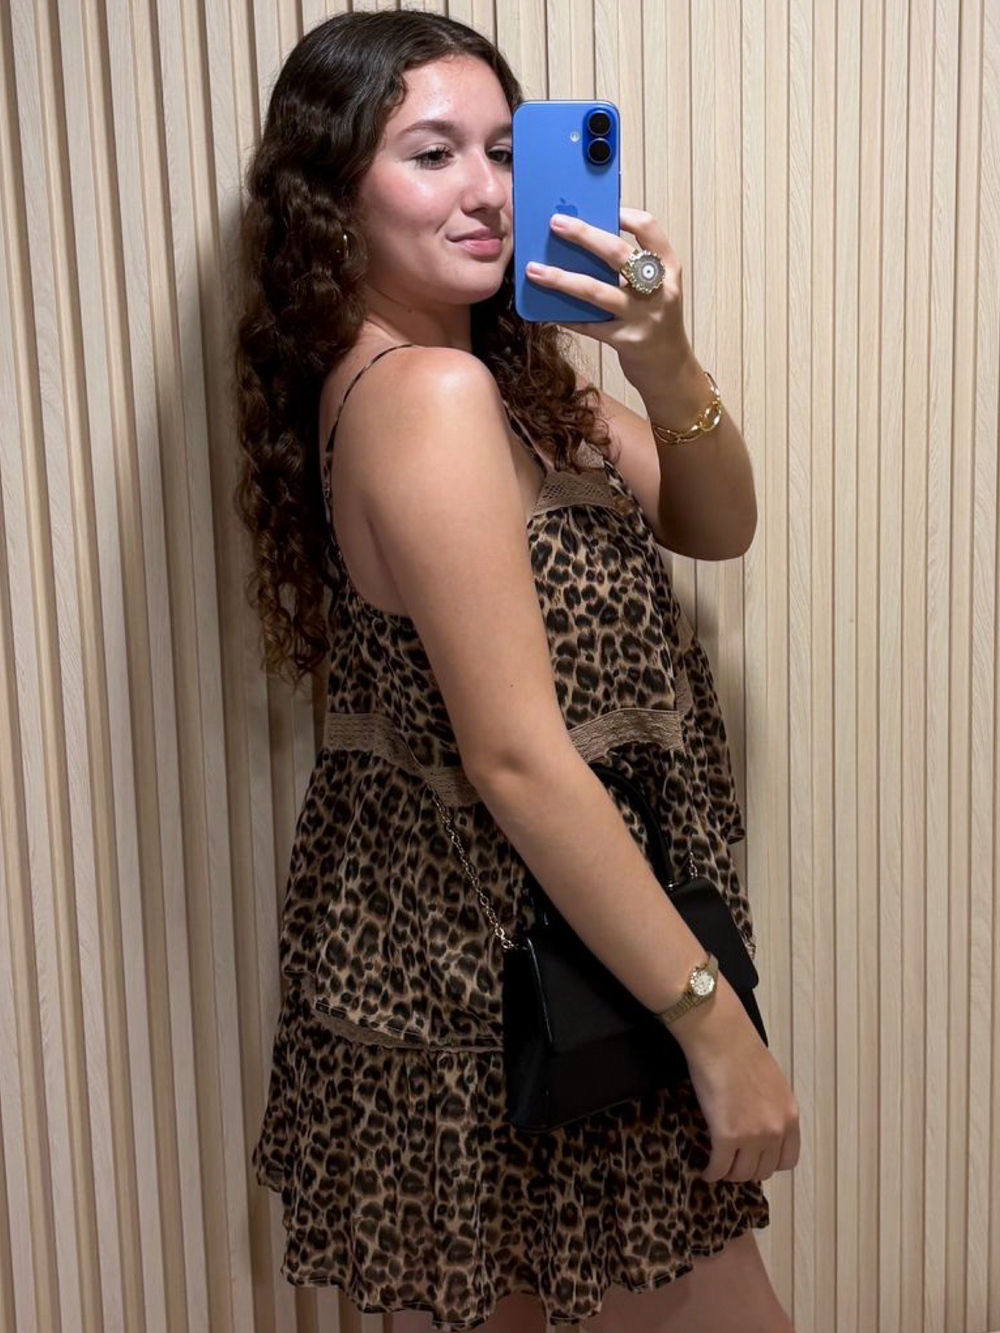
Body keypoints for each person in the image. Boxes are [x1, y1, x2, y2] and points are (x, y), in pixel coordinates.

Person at [232, 10, 800, 1332]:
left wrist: (658, 357)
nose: (486, 190)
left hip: (521, 962)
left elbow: (720, 522)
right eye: (432, 154)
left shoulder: (513, 390)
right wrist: (713, 1024)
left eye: (503, 149)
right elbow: (516, 757)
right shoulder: (427, 400)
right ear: (333, 195)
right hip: (515, 981)